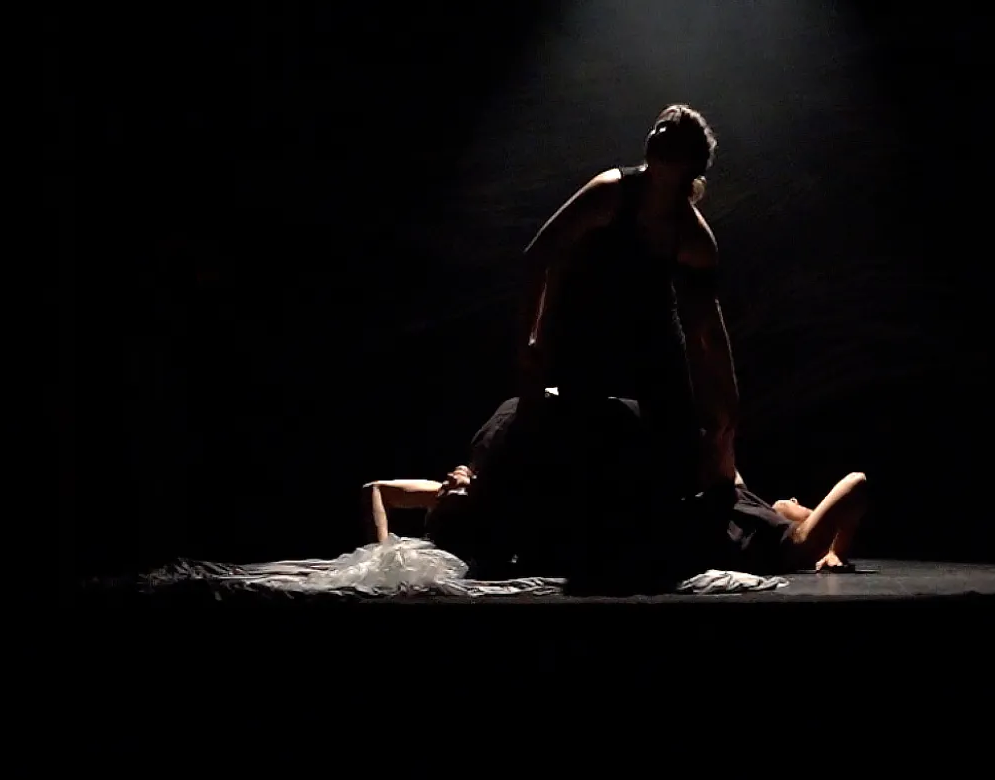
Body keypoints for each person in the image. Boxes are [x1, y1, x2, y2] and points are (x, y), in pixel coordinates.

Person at [510, 105, 742, 588]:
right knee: (585, 433)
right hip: (588, 329)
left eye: (670, 132)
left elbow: (707, 327)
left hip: (648, 334)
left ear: (689, 163)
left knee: (676, 432)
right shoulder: (611, 192)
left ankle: (658, 544)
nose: (655, 133)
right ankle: (574, 543)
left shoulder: (693, 235)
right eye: (656, 125)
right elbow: (539, 255)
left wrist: (727, 405)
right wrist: (530, 339)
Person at [361, 398, 869, 576]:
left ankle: (813, 532)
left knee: (783, 517)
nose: (451, 483)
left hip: (719, 508)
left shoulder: (473, 476)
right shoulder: (487, 494)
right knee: (778, 512)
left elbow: (378, 488)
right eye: (452, 491)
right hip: (717, 507)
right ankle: (808, 525)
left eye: (450, 486)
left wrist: (380, 547)